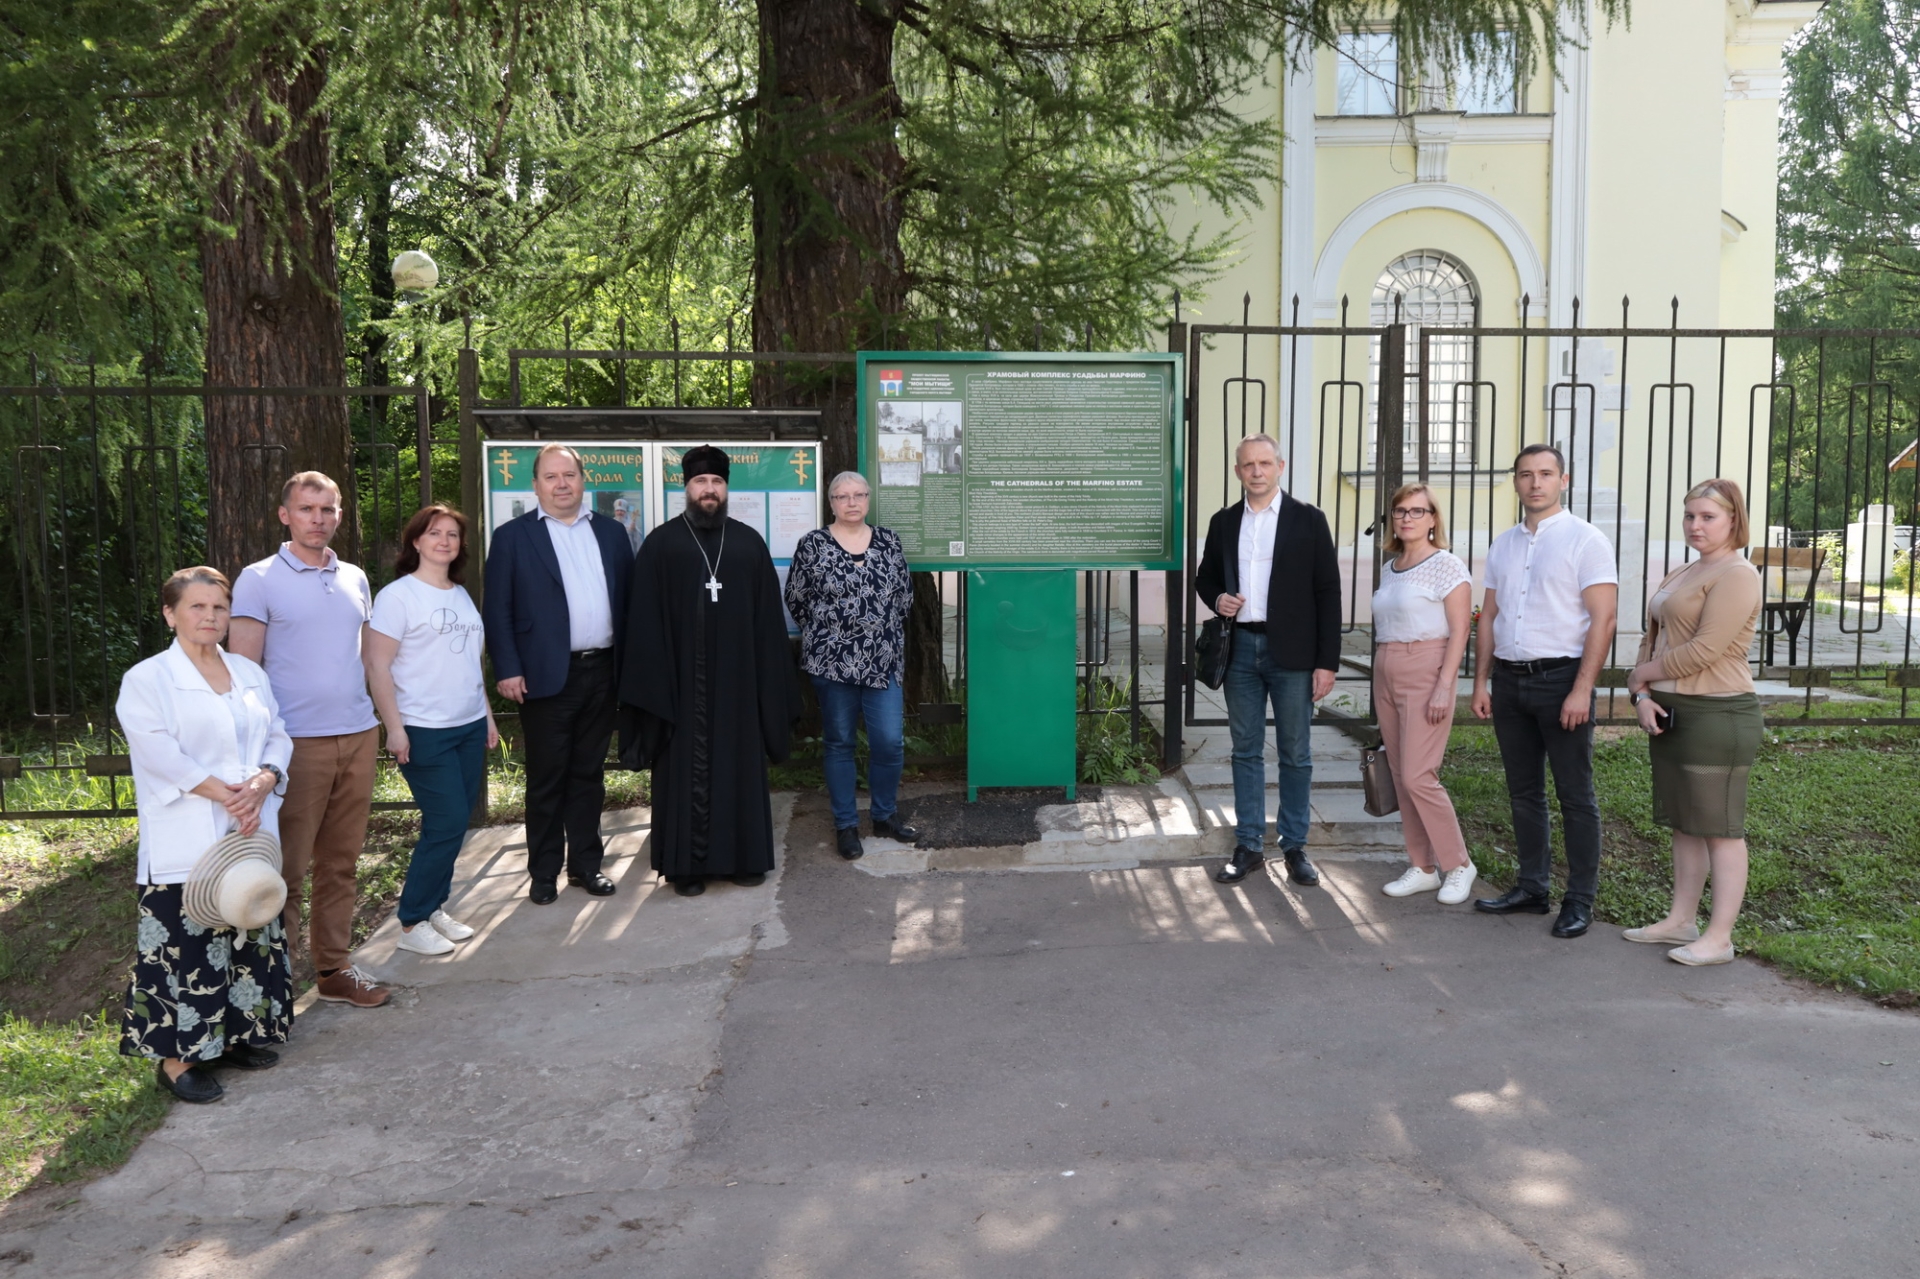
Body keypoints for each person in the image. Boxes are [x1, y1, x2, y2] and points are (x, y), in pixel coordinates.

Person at [118, 566, 295, 1104]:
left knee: (246, 928)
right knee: (188, 947)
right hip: (189, 837)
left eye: (218, 607)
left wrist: (265, 780)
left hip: (249, 829)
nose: (209, 616)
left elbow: (278, 733)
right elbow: (160, 754)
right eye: (196, 606)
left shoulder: (248, 672)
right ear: (170, 614)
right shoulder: (147, 679)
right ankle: (177, 1062)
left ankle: (235, 1037)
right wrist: (231, 796)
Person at [229, 472, 390, 1008]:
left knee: (341, 863)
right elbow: (244, 674)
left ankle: (333, 970)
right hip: (294, 746)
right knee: (286, 871)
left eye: (327, 509)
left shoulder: (356, 578)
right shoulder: (258, 579)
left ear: (340, 514)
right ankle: (271, 992)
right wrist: (256, 756)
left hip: (358, 735)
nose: (317, 519)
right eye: (306, 509)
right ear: (285, 515)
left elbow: (366, 659)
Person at [619, 445, 794, 897]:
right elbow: (643, 622)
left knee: (739, 764)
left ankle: (745, 858)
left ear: (726, 488)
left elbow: (768, 623)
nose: (709, 489)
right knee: (683, 769)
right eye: (701, 481)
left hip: (739, 685)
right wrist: (657, 685)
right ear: (687, 487)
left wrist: (768, 686)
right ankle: (686, 867)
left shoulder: (748, 543)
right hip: (680, 687)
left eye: (716, 482)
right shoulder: (661, 544)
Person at [1470, 444, 1620, 939]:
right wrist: (1482, 682)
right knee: (1523, 793)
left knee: (1575, 795)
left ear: (1563, 480)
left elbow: (1604, 619)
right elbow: (1488, 617)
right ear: (1515, 481)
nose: (1535, 483)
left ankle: (1579, 900)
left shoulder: (1586, 540)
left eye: (1545, 474)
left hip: (1561, 681)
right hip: (1509, 682)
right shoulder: (1503, 544)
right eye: (1526, 474)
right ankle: (1532, 888)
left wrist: (1582, 689)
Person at [482, 443, 634, 904]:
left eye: (569, 475)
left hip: (603, 670)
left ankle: (586, 866)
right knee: (547, 778)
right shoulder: (512, 537)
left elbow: (629, 600)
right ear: (536, 485)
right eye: (551, 476)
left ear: (583, 479)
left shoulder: (611, 533)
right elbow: (497, 608)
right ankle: (544, 872)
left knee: (589, 774)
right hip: (544, 676)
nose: (561, 484)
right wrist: (507, 668)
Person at [1623, 479, 1764, 966]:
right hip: (1669, 710)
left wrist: (1640, 675)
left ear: (1733, 520)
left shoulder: (1738, 574)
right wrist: (1642, 694)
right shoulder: (1685, 569)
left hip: (1717, 714)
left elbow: (1706, 649)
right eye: (1690, 516)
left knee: (1719, 827)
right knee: (1684, 823)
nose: (1695, 526)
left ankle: (1719, 938)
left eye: (1708, 517)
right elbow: (1653, 635)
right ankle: (1680, 920)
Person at [1194, 434, 1341, 888]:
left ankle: (1294, 845)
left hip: (1294, 655)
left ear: (1280, 466)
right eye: (1247, 465)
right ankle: (1249, 844)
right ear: (1237, 471)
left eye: (1264, 463)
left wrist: (1327, 662)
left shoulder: (1309, 519)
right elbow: (1205, 578)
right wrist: (1218, 599)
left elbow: (1328, 591)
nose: (1256, 471)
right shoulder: (1224, 521)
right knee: (1245, 749)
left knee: (1296, 752)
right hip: (1240, 650)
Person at [365, 505, 500, 956]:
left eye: (453, 535)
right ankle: (411, 923)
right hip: (424, 728)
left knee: (455, 823)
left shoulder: (460, 594)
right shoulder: (398, 596)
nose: (445, 541)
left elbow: (469, 664)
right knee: (446, 821)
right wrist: (394, 728)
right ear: (416, 542)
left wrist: (487, 716)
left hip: (468, 725)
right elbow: (377, 666)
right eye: (434, 533)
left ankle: (433, 907)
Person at [784, 471, 920, 860]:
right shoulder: (813, 544)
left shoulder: (889, 541)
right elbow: (796, 598)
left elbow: (904, 596)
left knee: (889, 742)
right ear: (831, 502)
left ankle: (884, 816)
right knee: (840, 742)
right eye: (842, 496)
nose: (852, 502)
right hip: (832, 663)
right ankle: (846, 825)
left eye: (859, 495)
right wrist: (832, 632)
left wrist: (878, 632)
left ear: (868, 498)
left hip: (883, 661)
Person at [1371, 483, 1478, 905]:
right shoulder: (1390, 567)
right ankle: (1423, 866)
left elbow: (1460, 631)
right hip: (1386, 667)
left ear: (1433, 519)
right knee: (1401, 776)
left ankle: (1459, 864)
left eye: (1418, 511)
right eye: (1400, 511)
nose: (1407, 518)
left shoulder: (1447, 565)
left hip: (1426, 668)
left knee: (1419, 775)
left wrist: (1444, 686)